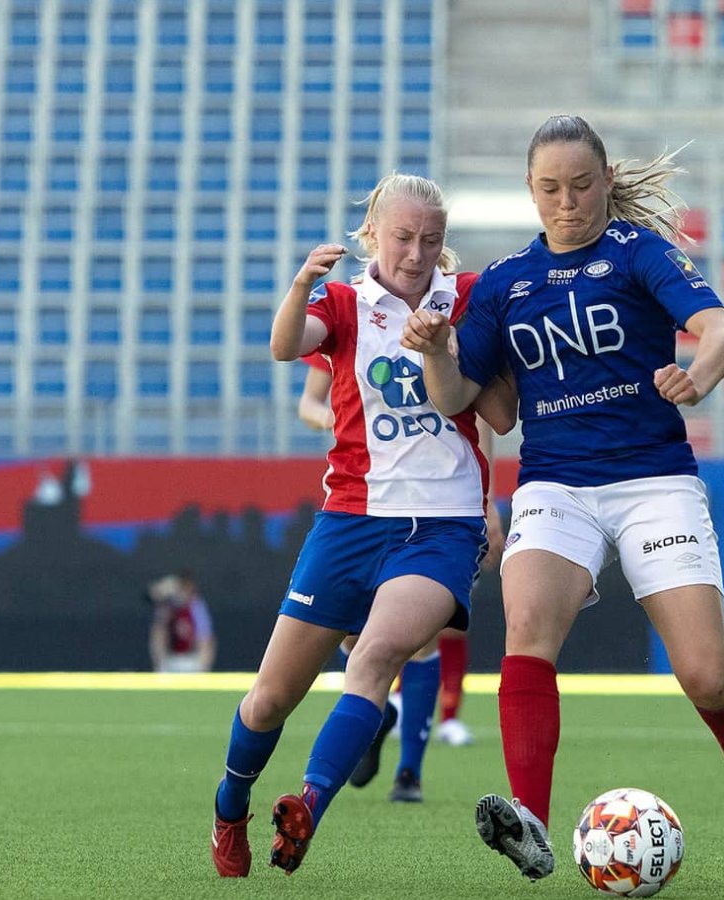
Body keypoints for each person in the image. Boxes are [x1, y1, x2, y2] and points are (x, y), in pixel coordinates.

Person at [401, 114, 724, 882]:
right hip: (555, 482)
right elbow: (461, 397)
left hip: (654, 479)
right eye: (550, 188)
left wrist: (697, 377)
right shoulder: (507, 281)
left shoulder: (640, 253)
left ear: (606, 181)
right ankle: (531, 823)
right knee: (526, 632)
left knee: (707, 677)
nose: (567, 202)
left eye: (581, 185)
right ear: (530, 189)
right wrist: (438, 353)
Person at [208, 172, 514, 878]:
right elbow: (286, 346)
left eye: (431, 240)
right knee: (269, 700)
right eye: (403, 237)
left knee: (376, 658)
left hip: (443, 525)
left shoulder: (467, 298)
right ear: (372, 233)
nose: (417, 253)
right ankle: (230, 807)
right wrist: (298, 285)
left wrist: (489, 501)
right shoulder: (345, 302)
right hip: (349, 519)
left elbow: (496, 413)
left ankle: (309, 806)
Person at [294, 352, 502, 803]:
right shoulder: (350, 327)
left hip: (439, 507)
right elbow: (308, 403)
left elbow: (480, 415)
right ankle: (378, 712)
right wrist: (335, 416)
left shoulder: (444, 327)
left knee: (422, 637)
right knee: (354, 637)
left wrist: (486, 500)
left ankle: (410, 772)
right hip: (364, 500)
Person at [147, 570, 216, 674]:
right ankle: (161, 668)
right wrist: (165, 588)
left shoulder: (197, 606)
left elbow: (205, 639)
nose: (184, 593)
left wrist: (203, 667)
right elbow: (149, 596)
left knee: (206, 641)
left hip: (192, 660)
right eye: (181, 588)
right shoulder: (167, 606)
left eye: (187, 589)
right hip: (170, 660)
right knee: (159, 629)